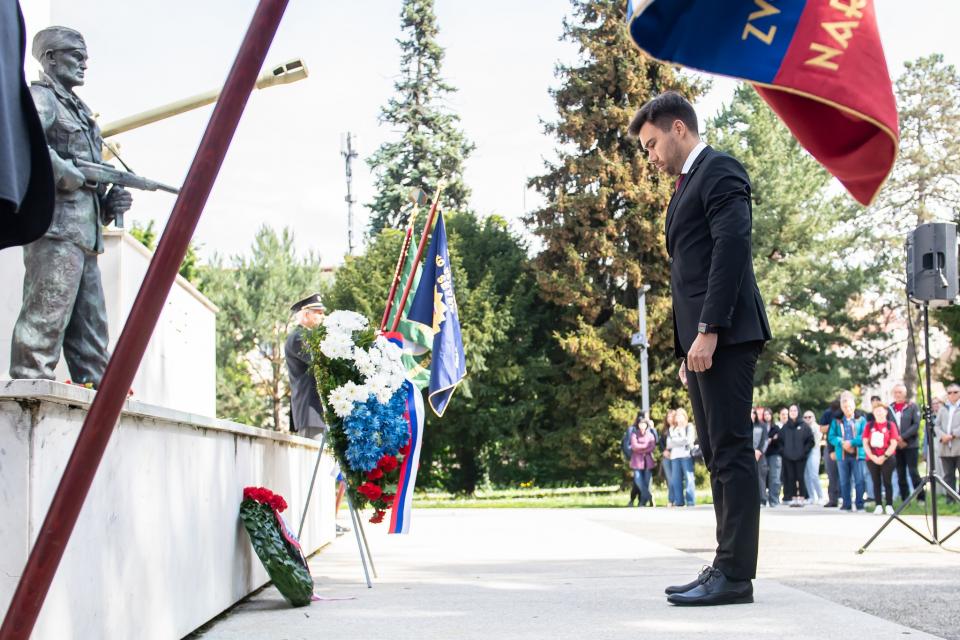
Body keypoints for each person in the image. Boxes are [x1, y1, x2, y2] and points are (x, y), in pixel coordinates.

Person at [630, 91, 771, 606]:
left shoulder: (720, 170)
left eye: (651, 144)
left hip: (726, 333)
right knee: (714, 451)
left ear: (678, 129)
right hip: (704, 343)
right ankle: (724, 563)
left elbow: (731, 249)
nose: (650, 156)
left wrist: (709, 328)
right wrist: (689, 348)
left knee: (731, 450)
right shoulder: (688, 183)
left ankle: (735, 575)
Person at [9, 26, 133, 387]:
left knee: (92, 332)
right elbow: (25, 141)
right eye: (76, 56)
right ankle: (30, 389)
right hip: (55, 229)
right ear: (50, 58)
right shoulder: (41, 98)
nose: (84, 64)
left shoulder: (82, 113)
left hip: (85, 235)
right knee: (45, 319)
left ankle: (98, 396)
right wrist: (65, 173)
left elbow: (88, 182)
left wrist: (108, 205)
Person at [284, 294, 348, 536]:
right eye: (318, 313)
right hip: (311, 413)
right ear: (305, 315)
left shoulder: (309, 336)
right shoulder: (299, 337)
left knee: (325, 470)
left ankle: (326, 522)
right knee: (314, 471)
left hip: (319, 413)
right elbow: (322, 359)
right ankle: (316, 524)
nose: (322, 316)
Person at [828, 391, 867, 512]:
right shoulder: (837, 421)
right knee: (844, 480)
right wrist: (842, 443)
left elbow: (864, 435)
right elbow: (831, 437)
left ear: (854, 406)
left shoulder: (861, 420)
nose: (847, 409)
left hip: (858, 454)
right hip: (842, 454)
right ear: (841, 407)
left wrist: (852, 443)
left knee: (859, 480)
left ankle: (860, 504)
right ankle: (846, 504)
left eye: (849, 406)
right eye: (845, 407)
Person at [863, 402, 899, 515]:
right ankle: (878, 504)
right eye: (876, 410)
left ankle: (889, 504)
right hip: (872, 458)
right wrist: (872, 457)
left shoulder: (890, 425)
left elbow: (893, 443)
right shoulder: (869, 426)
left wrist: (884, 456)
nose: (878, 413)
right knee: (875, 481)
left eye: (880, 410)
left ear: (886, 412)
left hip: (887, 457)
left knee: (887, 481)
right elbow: (865, 442)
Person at [890, 383, 924, 502]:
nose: (897, 394)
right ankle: (905, 498)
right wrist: (896, 439)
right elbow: (889, 425)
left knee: (913, 471)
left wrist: (903, 437)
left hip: (911, 444)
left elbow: (916, 425)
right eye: (895, 392)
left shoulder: (912, 407)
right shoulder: (890, 408)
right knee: (900, 472)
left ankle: (921, 497)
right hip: (896, 446)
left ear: (905, 394)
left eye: (900, 392)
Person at [780, 406, 814, 507]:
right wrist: (784, 452)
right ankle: (794, 498)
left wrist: (804, 452)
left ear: (798, 412)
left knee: (800, 477)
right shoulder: (785, 427)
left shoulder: (804, 426)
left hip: (801, 457)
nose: (793, 412)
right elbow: (780, 442)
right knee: (791, 477)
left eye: (795, 410)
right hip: (788, 457)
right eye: (791, 410)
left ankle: (802, 498)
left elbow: (810, 441)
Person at [666, 408, 697, 507]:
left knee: (689, 479)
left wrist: (675, 441)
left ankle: (690, 501)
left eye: (680, 415)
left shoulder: (689, 426)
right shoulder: (672, 428)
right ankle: (679, 501)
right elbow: (669, 444)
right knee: (676, 480)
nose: (678, 417)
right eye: (677, 415)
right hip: (674, 457)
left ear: (685, 416)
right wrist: (682, 441)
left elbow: (689, 440)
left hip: (686, 456)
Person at [935, 384, 960, 501]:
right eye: (949, 392)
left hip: (958, 446)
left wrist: (953, 435)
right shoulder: (943, 408)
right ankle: (950, 499)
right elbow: (936, 425)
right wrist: (942, 436)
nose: (952, 395)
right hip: (945, 448)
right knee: (948, 475)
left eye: (955, 392)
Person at [629, 416, 658, 507]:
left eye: (644, 424)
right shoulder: (634, 434)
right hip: (637, 462)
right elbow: (634, 446)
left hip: (648, 462)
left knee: (647, 482)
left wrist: (641, 448)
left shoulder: (650, 435)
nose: (642, 425)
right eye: (640, 424)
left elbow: (652, 447)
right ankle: (650, 497)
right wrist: (645, 447)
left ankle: (642, 502)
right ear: (638, 425)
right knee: (638, 481)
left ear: (646, 425)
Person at [819, 399, 842, 507]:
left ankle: (845, 498)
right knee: (832, 474)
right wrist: (834, 425)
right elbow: (821, 428)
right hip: (831, 445)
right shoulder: (828, 413)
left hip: (846, 446)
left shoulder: (849, 413)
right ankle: (833, 499)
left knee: (845, 475)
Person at [802, 409, 825, 505]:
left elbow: (816, 441)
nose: (807, 419)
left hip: (814, 451)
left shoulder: (816, 427)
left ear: (814, 418)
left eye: (809, 417)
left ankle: (821, 497)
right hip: (805, 453)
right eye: (805, 417)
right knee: (806, 475)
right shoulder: (803, 428)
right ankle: (812, 497)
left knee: (814, 475)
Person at [763, 408, 783, 507]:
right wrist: (770, 438)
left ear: (771, 415)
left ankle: (774, 500)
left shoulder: (776, 427)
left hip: (775, 455)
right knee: (763, 478)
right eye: (765, 414)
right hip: (763, 455)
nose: (767, 416)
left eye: (768, 414)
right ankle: (764, 499)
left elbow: (779, 440)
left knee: (774, 478)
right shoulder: (761, 427)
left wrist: (771, 439)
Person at [660, 409, 678, 506]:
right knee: (670, 479)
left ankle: (678, 499)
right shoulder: (664, 430)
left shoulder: (678, 428)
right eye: (668, 416)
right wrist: (664, 451)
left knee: (676, 479)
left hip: (677, 456)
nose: (669, 418)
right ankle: (671, 500)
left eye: (671, 416)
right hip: (666, 457)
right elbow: (661, 443)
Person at [752, 407, 769, 506]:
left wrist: (759, 451)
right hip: (747, 455)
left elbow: (765, 441)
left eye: (753, 413)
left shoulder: (762, 425)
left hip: (760, 456)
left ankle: (763, 500)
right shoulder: (743, 426)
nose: (751, 415)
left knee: (760, 478)